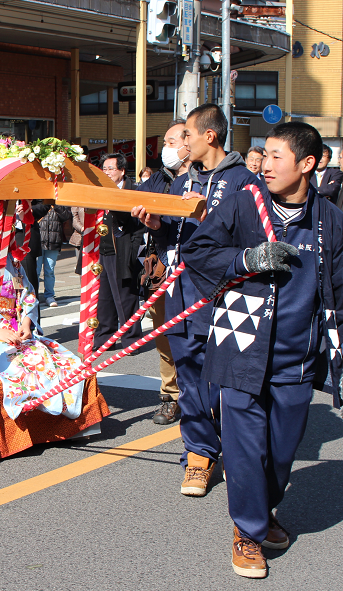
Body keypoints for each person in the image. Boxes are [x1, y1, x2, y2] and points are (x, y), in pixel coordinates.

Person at [181, 122, 343, 579]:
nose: (265, 165)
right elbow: (199, 251)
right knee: (244, 446)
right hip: (240, 345)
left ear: (307, 164)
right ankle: (247, 533)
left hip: (298, 357)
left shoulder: (330, 220)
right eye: (264, 155)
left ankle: (262, 510)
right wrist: (245, 260)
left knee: (281, 451)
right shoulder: (243, 203)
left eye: (276, 157)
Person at [132, 103, 264, 497]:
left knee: (227, 379)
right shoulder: (181, 180)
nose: (180, 143)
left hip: (226, 295)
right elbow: (174, 230)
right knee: (188, 374)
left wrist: (208, 219)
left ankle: (237, 450)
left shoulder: (244, 181)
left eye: (186, 135)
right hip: (180, 289)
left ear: (209, 136)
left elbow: (250, 238)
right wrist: (157, 223)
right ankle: (199, 455)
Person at [0, 202, 84, 419]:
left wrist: (26, 323)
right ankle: (39, 411)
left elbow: (27, 293)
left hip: (15, 329)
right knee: (24, 365)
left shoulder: (10, 259)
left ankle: (57, 412)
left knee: (62, 361)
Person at [136, 119, 189, 426]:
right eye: (165, 143)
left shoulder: (206, 180)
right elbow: (133, 201)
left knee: (198, 337)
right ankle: (171, 396)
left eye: (171, 143)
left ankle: (202, 396)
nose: (165, 150)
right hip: (161, 269)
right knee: (164, 336)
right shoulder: (159, 178)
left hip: (196, 272)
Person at [94, 152, 145, 350]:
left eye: (110, 169)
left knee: (125, 296)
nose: (106, 173)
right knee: (103, 297)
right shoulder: (99, 190)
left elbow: (136, 225)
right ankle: (104, 338)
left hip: (122, 249)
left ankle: (131, 338)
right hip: (102, 248)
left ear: (122, 171)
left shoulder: (132, 190)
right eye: (104, 169)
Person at [36, 202, 71, 307]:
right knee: (35, 271)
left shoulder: (60, 202)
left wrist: (55, 205)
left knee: (49, 270)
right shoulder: (39, 202)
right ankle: (34, 295)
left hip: (54, 240)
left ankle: (49, 296)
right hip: (38, 240)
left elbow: (66, 216)